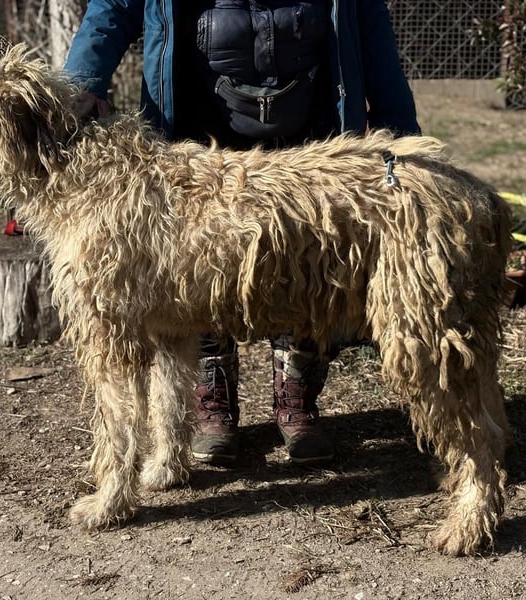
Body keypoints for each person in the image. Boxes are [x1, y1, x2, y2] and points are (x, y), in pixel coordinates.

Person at [63, 0, 421, 466]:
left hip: (309, 141)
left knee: (304, 272)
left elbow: (370, 33)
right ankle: (213, 406)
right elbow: (111, 9)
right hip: (197, 141)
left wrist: (401, 139)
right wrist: (84, 82)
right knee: (200, 274)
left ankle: (297, 401)